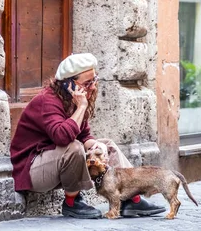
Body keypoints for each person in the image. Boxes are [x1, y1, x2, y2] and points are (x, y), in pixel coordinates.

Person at [10, 53, 165, 219]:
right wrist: (82, 106)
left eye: (94, 80)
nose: (92, 87)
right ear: (68, 84)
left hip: (54, 162)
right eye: (87, 83)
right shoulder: (47, 101)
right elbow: (62, 138)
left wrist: (98, 147)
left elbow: (84, 136)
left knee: (108, 145)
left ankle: (130, 199)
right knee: (73, 147)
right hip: (32, 170)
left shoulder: (72, 99)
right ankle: (72, 202)